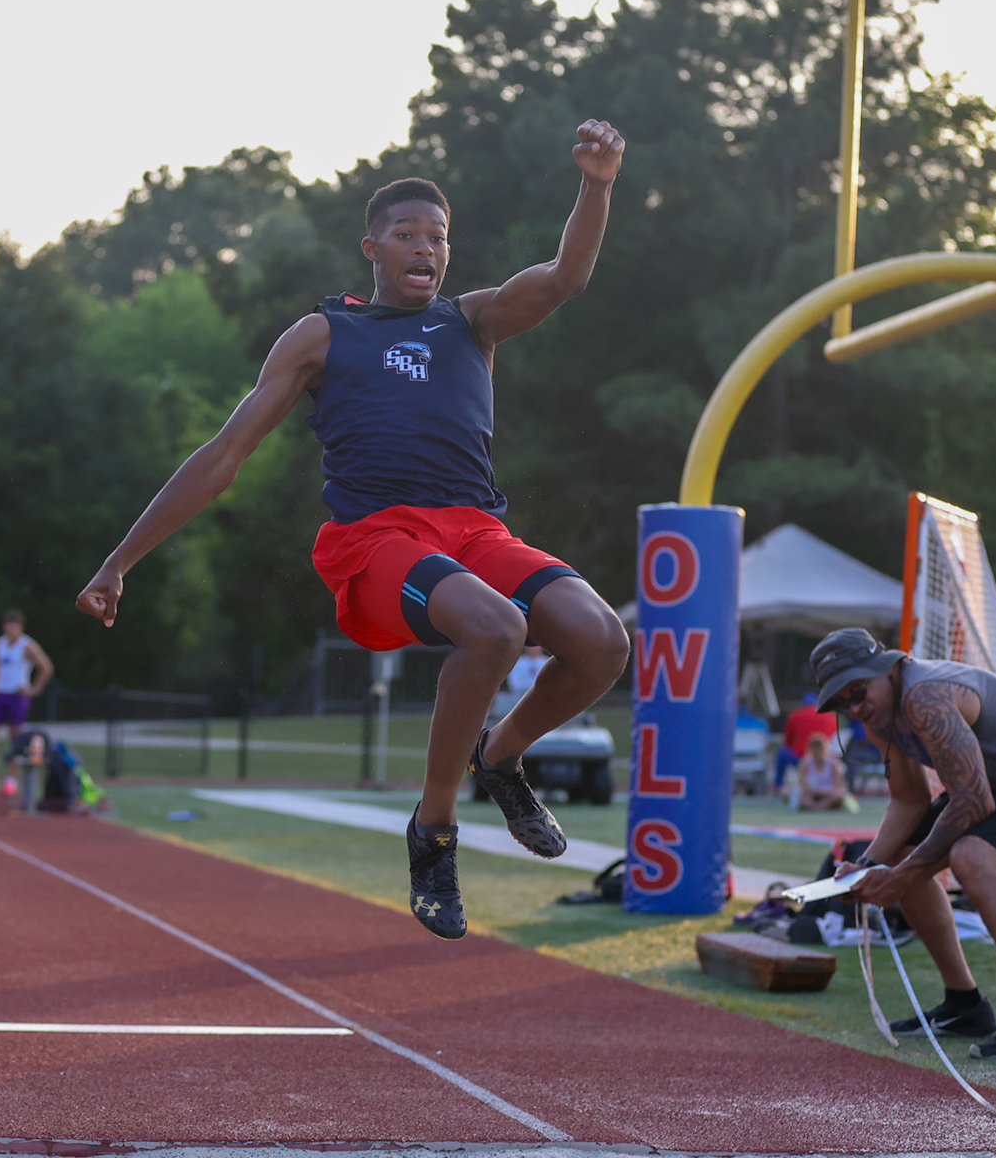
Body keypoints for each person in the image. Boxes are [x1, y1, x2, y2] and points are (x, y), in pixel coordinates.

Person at [76, 121, 632, 941]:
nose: (425, 249)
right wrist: (121, 560)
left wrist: (597, 182)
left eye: (437, 238)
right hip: (377, 540)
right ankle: (434, 831)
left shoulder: (470, 322)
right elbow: (225, 453)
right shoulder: (324, 334)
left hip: (475, 530)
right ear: (371, 247)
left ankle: (502, 755)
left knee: (602, 642)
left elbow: (565, 278)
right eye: (407, 235)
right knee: (495, 627)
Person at [812, 627, 996, 1059]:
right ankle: (964, 1004)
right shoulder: (879, 715)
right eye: (842, 702)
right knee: (897, 856)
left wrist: (900, 877)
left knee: (971, 857)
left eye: (858, 691)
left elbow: (974, 801)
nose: (855, 708)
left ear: (887, 668)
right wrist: (871, 864)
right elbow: (908, 800)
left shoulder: (924, 698)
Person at [0, 609, 54, 796]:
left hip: (17, 695)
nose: (10, 628)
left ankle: (11, 780)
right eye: (7, 624)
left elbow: (46, 667)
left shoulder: (27, 646)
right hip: (0, 694)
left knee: (15, 738)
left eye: (14, 624)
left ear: (20, 627)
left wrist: (34, 689)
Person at [775, 692, 837, 795]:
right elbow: (835, 740)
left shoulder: (795, 715)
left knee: (782, 753)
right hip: (824, 759)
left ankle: (777, 787)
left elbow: (787, 742)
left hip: (801, 758)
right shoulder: (830, 716)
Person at [793, 735, 854, 812]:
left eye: (819, 748)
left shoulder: (833, 764)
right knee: (803, 799)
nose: (816, 751)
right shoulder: (806, 764)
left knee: (839, 796)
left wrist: (824, 792)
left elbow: (840, 786)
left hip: (828, 794)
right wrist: (813, 791)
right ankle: (820, 807)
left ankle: (819, 807)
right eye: (814, 748)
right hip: (812, 793)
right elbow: (802, 784)